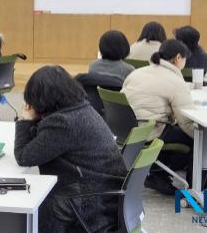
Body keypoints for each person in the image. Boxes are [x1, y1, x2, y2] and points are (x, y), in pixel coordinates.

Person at [15, 66, 126, 232]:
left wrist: (25, 120)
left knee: (30, 204)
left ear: (41, 101)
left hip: (90, 201)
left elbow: (24, 157)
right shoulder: (81, 109)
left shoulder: (63, 122)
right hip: (107, 195)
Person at [122, 39, 195, 194]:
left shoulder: (136, 73)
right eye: (185, 59)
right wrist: (206, 137)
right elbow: (187, 122)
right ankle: (195, 186)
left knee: (174, 128)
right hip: (150, 131)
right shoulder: (176, 81)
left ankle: (158, 174)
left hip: (126, 130)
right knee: (195, 137)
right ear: (178, 58)